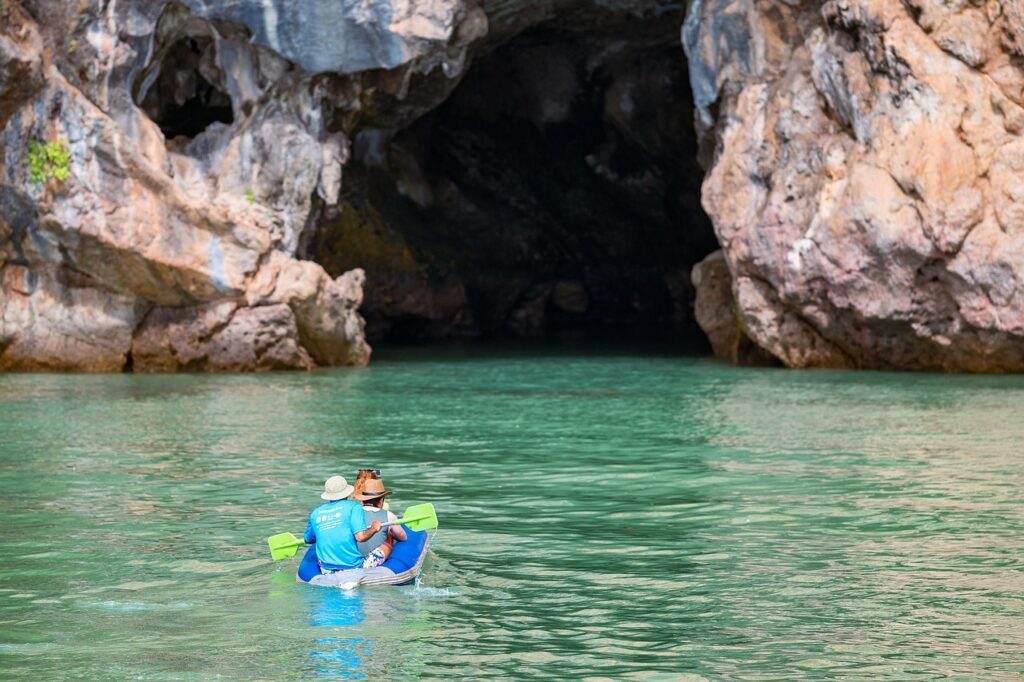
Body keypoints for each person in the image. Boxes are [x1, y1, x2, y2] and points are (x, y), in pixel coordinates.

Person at [304, 476, 383, 574]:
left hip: (327, 570)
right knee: (385, 547)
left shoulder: (315, 513)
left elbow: (308, 539)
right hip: (354, 567)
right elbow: (360, 537)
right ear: (347, 492)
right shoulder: (354, 506)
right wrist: (374, 528)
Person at [355, 478, 407, 568]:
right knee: (389, 536)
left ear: (362, 500)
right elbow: (403, 537)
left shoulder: (352, 514)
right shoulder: (389, 515)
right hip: (370, 562)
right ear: (381, 500)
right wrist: (390, 533)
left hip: (350, 558)